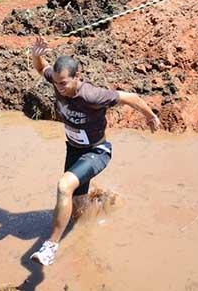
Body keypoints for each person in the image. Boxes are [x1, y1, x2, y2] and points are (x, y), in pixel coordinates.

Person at [29, 36, 160, 266]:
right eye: (57, 83)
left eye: (64, 83)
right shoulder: (57, 80)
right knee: (79, 212)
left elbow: (130, 97)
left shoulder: (91, 95)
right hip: (74, 151)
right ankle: (107, 205)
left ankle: (50, 246)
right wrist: (36, 53)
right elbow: (42, 68)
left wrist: (150, 116)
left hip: (97, 152)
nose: (59, 88)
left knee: (63, 186)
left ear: (77, 77)